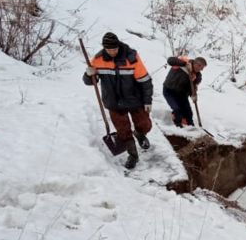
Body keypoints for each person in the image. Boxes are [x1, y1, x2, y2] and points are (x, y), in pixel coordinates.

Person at [83, 32, 153, 170]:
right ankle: (133, 155)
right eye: (109, 49)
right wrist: (88, 74)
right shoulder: (98, 60)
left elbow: (145, 80)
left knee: (145, 124)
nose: (112, 52)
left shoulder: (131, 57)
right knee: (123, 131)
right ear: (104, 48)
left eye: (114, 49)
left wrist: (147, 100)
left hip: (134, 99)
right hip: (113, 102)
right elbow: (90, 81)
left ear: (119, 46)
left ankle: (139, 133)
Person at [162, 56, 206, 127]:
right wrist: (184, 64)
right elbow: (170, 60)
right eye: (201, 67)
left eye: (203, 68)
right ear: (196, 64)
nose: (202, 69)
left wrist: (194, 95)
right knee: (177, 110)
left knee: (189, 113)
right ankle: (178, 128)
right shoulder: (182, 63)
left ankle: (192, 127)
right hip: (169, 91)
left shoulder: (197, 76)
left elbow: (193, 88)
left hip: (182, 95)